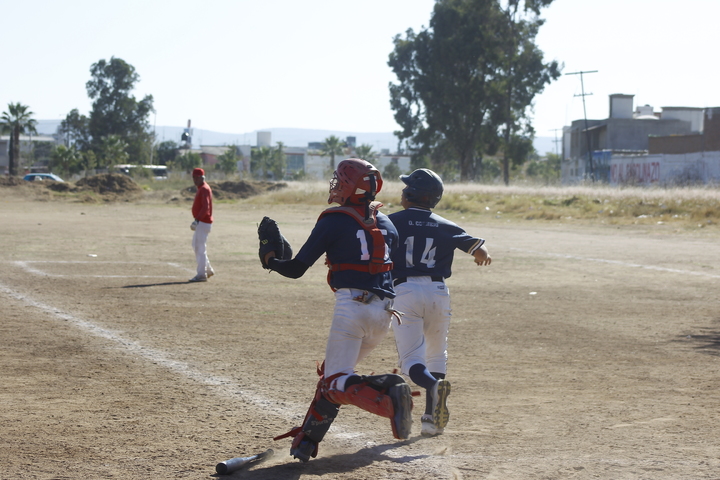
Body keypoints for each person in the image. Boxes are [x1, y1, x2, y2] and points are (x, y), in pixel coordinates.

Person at [264, 158, 413, 462]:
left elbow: (295, 269)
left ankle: (388, 396)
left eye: (338, 180)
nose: (334, 185)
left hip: (353, 308)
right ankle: (306, 442)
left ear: (347, 184)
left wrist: (270, 261)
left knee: (335, 381)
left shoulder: (334, 218)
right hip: (384, 312)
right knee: (333, 378)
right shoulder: (387, 222)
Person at [388, 168, 491, 437]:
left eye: (405, 188)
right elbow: (479, 250)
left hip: (405, 291)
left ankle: (432, 387)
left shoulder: (390, 221)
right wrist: (482, 257)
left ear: (411, 194)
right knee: (436, 353)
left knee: (411, 360)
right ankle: (431, 420)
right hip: (438, 291)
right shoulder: (445, 224)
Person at [189, 168, 215, 282]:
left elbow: (206, 207)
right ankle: (208, 270)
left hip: (203, 222)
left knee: (200, 248)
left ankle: (201, 274)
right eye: (193, 177)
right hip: (202, 222)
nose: (195, 180)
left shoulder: (204, 189)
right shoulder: (202, 188)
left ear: (202, 177)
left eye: (196, 177)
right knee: (196, 246)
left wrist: (197, 219)